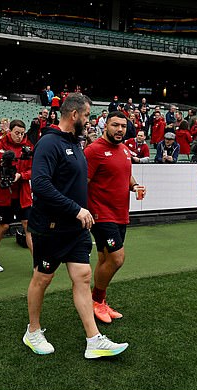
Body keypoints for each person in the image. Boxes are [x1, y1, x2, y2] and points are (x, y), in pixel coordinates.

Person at [23, 93, 128, 359]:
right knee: (42, 278)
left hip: (76, 228)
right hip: (50, 227)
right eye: (87, 116)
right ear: (74, 115)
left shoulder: (75, 143)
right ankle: (32, 331)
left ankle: (94, 340)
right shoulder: (49, 143)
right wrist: (76, 209)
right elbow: (42, 185)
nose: (89, 121)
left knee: (82, 277)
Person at [84, 110, 145, 324]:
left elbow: (127, 175)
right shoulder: (93, 151)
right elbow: (84, 182)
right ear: (105, 125)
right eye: (115, 125)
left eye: (123, 126)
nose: (120, 129)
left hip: (121, 214)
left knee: (105, 259)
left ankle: (99, 302)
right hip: (101, 215)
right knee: (117, 259)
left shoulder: (125, 149)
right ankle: (96, 300)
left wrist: (135, 186)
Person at [0, 119, 33, 272]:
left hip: (22, 194)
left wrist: (21, 175)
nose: (19, 136)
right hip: (4, 193)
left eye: (22, 133)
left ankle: (37, 263)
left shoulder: (28, 148)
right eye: (17, 133)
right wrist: (1, 161)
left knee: (28, 226)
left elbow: (33, 170)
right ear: (10, 131)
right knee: (3, 225)